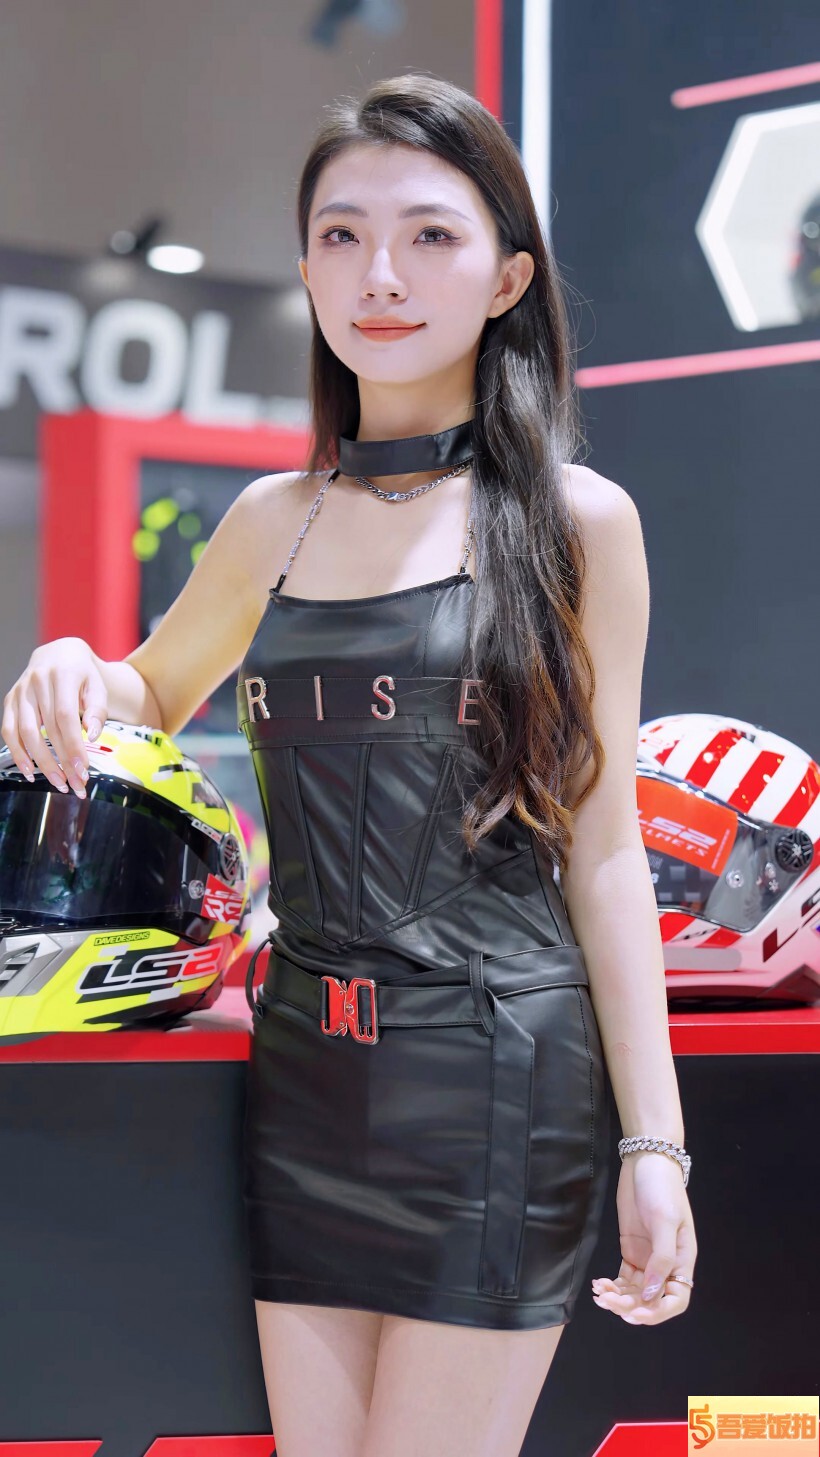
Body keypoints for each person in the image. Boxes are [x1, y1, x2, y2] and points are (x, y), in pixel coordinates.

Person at [2, 72, 697, 1457]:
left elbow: (606, 847)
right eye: (342, 234)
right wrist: (74, 659)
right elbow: (152, 687)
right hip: (307, 1078)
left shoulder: (580, 525)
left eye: (430, 235)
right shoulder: (276, 519)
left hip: (499, 1079)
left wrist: (654, 1146)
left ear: (509, 277)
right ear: (309, 265)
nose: (380, 274)